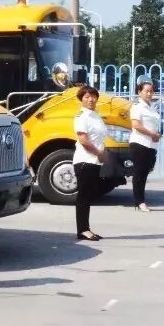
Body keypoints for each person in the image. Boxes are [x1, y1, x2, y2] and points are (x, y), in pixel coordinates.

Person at [72, 84, 108, 240]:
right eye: (87, 97)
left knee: (89, 195)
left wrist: (101, 153)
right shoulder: (82, 116)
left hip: (95, 161)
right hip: (85, 160)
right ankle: (82, 230)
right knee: (84, 196)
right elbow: (83, 140)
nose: (91, 99)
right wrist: (99, 153)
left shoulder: (95, 115)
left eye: (93, 96)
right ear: (81, 99)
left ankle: (86, 228)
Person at [128, 80, 162, 211]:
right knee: (139, 174)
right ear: (139, 92)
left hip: (150, 144)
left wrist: (156, 134)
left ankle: (140, 200)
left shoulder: (151, 107)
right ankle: (139, 202)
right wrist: (152, 134)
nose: (149, 94)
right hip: (140, 143)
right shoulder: (137, 107)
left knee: (144, 174)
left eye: (151, 91)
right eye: (146, 91)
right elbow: (136, 125)